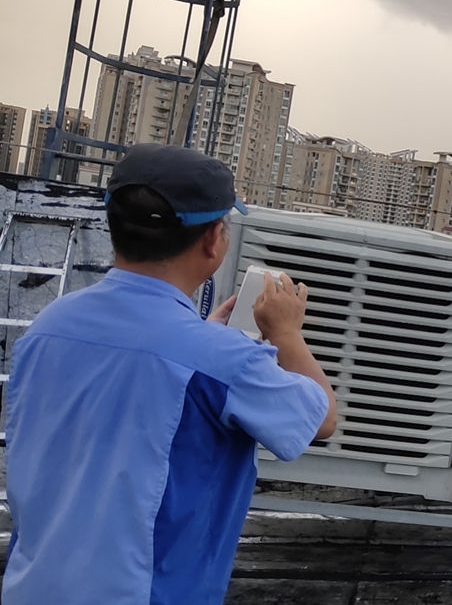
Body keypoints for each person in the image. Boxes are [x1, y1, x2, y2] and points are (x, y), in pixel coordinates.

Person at [3, 144, 337, 604]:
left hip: (31, 587)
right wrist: (286, 335)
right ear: (213, 240)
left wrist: (204, 340)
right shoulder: (222, 359)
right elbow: (322, 420)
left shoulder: (48, 326)